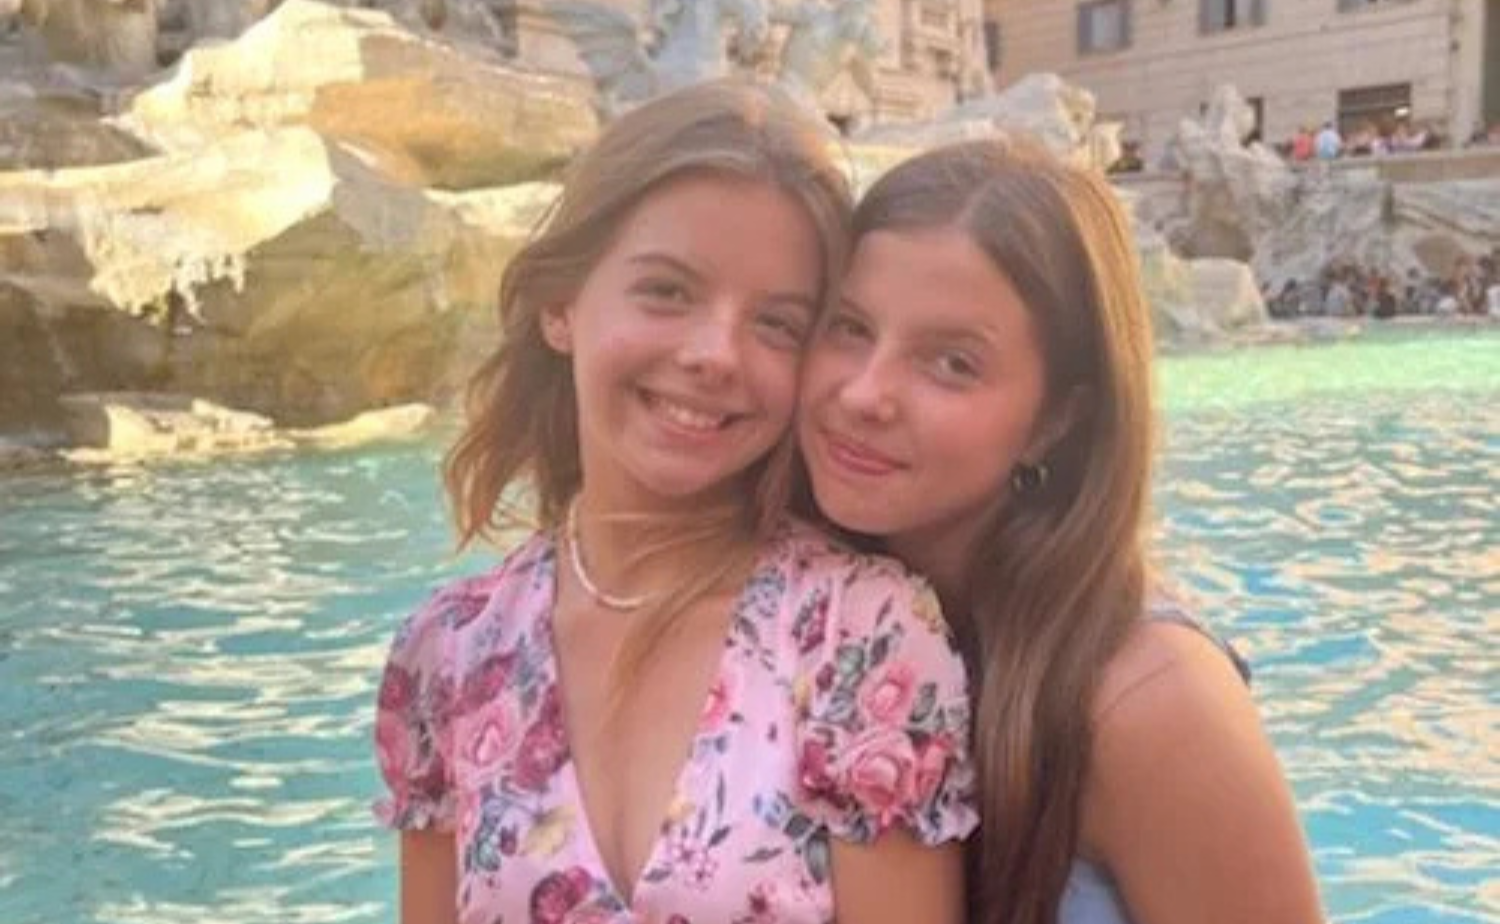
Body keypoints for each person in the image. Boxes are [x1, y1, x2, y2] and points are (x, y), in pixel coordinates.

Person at [372, 80, 977, 924]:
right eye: (668, 291)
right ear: (562, 303)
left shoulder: (859, 638)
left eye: (777, 324)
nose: (716, 354)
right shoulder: (446, 653)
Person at [797, 139, 1324, 924]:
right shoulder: (793, 618)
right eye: (849, 327)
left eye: (951, 363)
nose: (867, 393)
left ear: (1056, 421)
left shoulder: (1148, 701)